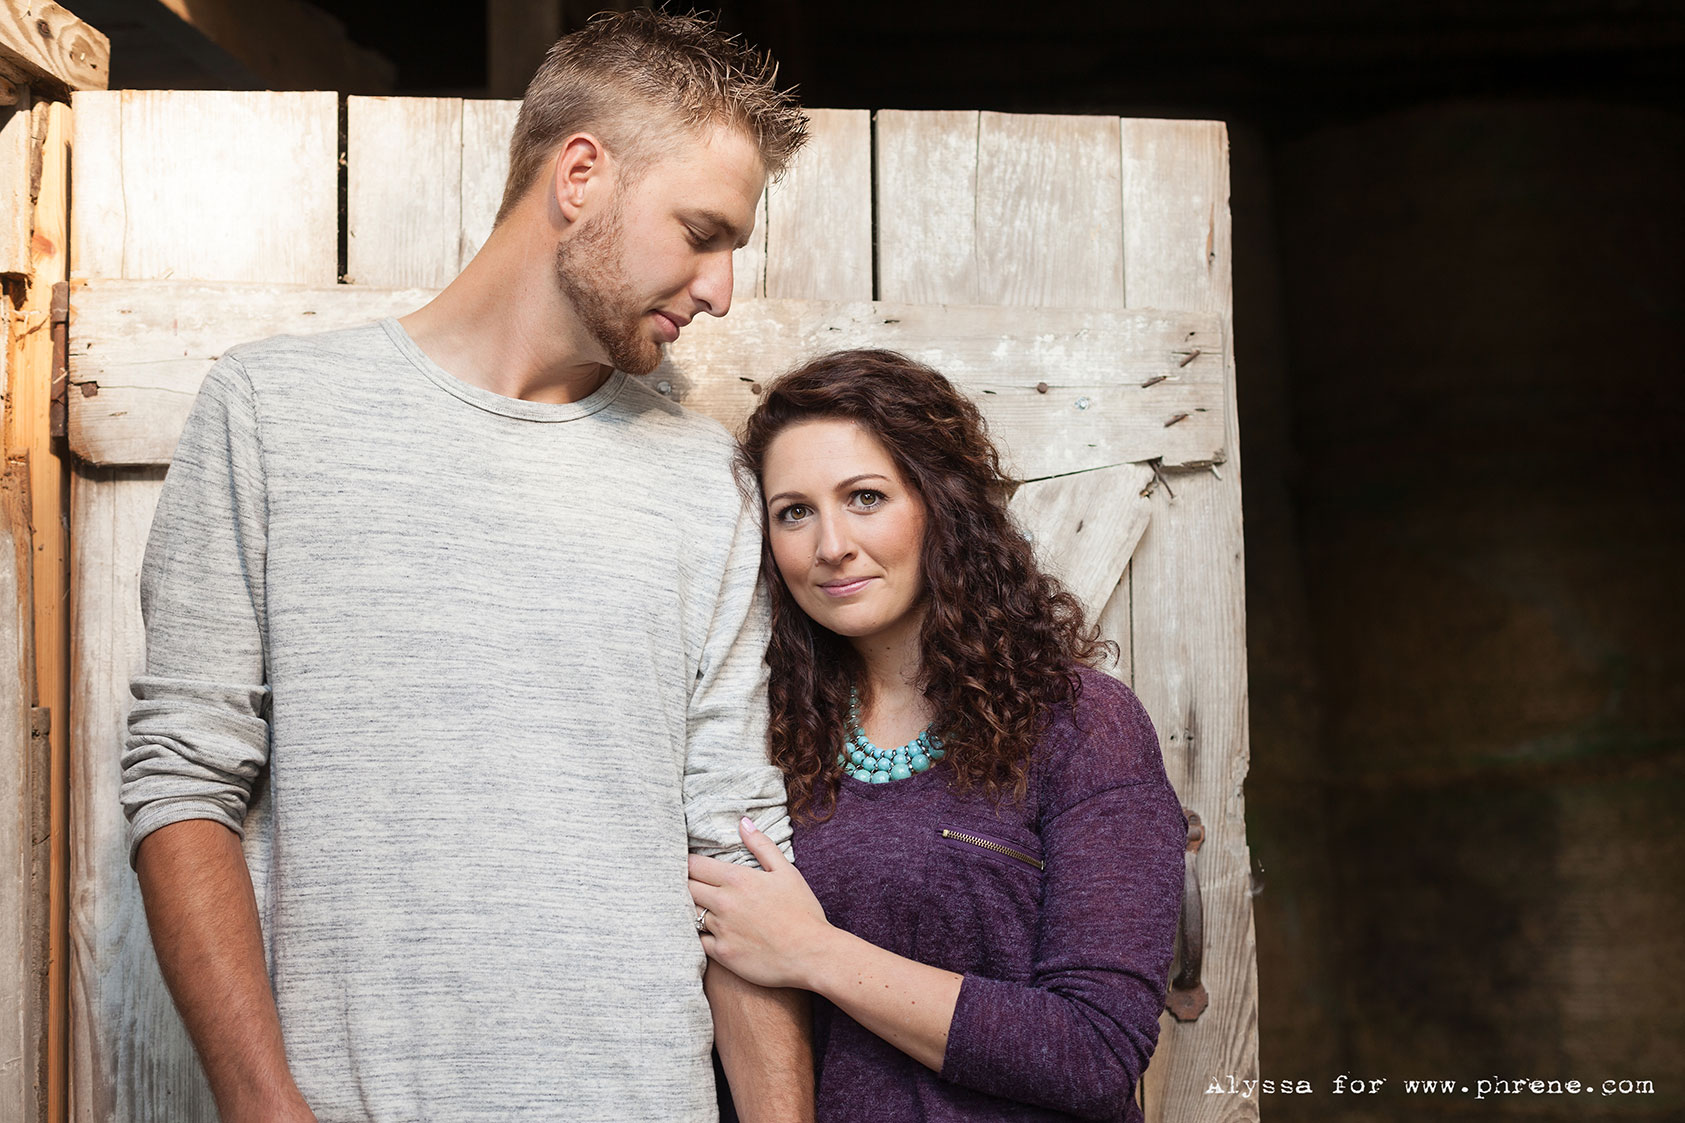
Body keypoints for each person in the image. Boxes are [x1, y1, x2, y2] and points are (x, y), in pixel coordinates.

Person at [120, 12, 814, 1123]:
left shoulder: (705, 482)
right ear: (579, 175)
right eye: (701, 232)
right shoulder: (275, 416)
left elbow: (732, 845)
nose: (721, 288)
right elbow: (183, 779)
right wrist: (264, 1105)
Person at [688, 350, 1188, 1122]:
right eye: (793, 512)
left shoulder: (1080, 725)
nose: (830, 544)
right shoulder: (762, 735)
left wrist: (814, 952)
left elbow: (1095, 1049)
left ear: (941, 503)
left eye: (864, 497)